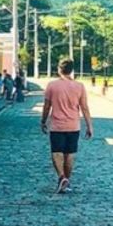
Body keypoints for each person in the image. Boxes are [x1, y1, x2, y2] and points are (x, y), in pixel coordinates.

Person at [41, 58, 94, 194]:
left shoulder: (52, 85)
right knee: (70, 154)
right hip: (73, 126)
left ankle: (61, 177)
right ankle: (67, 181)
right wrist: (89, 126)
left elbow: (47, 106)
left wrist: (43, 121)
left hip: (57, 126)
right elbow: (85, 108)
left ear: (59, 70)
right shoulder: (79, 86)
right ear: (72, 70)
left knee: (56, 152)